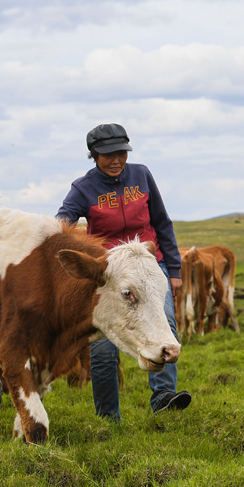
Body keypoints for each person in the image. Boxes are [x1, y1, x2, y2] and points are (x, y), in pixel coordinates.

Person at [57, 123, 191, 421]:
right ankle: (108, 417)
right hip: (112, 273)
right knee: (104, 347)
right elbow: (62, 222)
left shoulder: (141, 175)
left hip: (149, 265)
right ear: (94, 156)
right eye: (108, 155)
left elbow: (162, 222)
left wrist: (174, 269)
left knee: (165, 322)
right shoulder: (83, 188)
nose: (116, 160)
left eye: (121, 153)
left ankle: (164, 397)